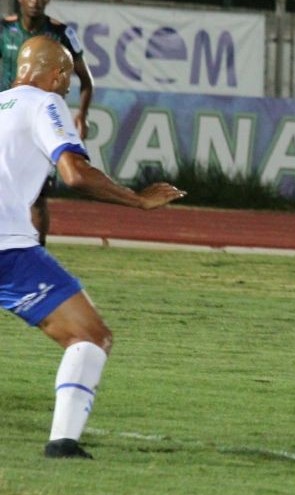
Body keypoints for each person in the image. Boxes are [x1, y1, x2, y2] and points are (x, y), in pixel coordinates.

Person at [0, 36, 185, 459]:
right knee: (90, 336)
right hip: (6, 247)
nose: (66, 87)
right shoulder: (44, 104)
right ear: (58, 74)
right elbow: (74, 173)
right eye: (66, 78)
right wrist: (138, 199)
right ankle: (63, 443)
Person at [2, 0, 96, 247]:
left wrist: (82, 115)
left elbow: (86, 80)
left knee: (39, 194)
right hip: (8, 119)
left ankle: (37, 250)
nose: (35, 0)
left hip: (40, 120)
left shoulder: (61, 33)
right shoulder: (3, 30)